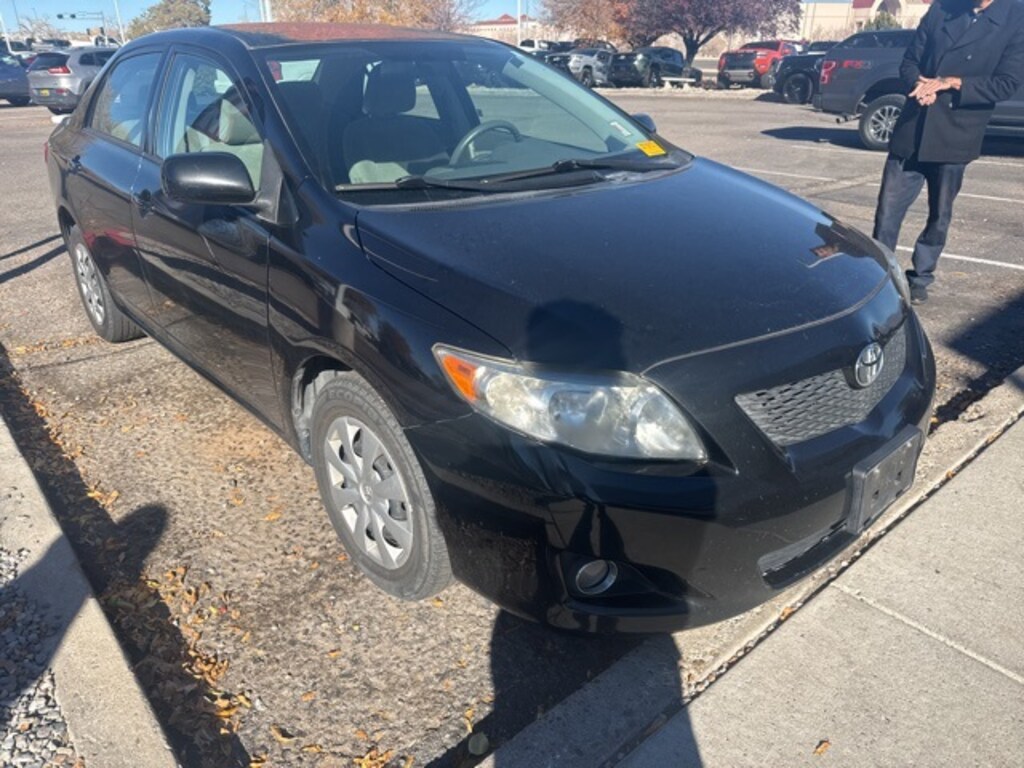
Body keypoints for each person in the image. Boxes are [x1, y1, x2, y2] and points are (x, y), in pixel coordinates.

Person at [872, 0, 1024, 304]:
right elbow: (909, 61)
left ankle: (921, 276)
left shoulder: (1016, 16)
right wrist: (920, 85)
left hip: (957, 132)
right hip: (914, 126)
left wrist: (951, 83)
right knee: (887, 212)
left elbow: (1006, 83)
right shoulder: (942, 8)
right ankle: (879, 276)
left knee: (939, 215)